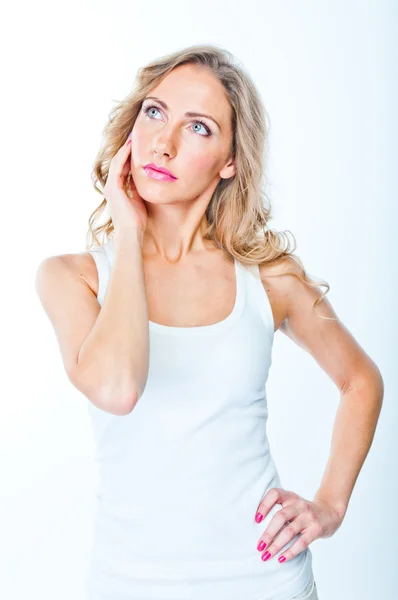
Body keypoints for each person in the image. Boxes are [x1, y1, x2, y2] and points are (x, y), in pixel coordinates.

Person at [35, 44, 384, 600]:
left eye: (197, 127)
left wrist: (330, 505)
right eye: (154, 112)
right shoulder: (72, 278)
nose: (163, 143)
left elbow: (360, 381)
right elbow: (118, 387)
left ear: (230, 161)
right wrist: (129, 233)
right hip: (129, 584)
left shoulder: (268, 277)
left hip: (266, 581)